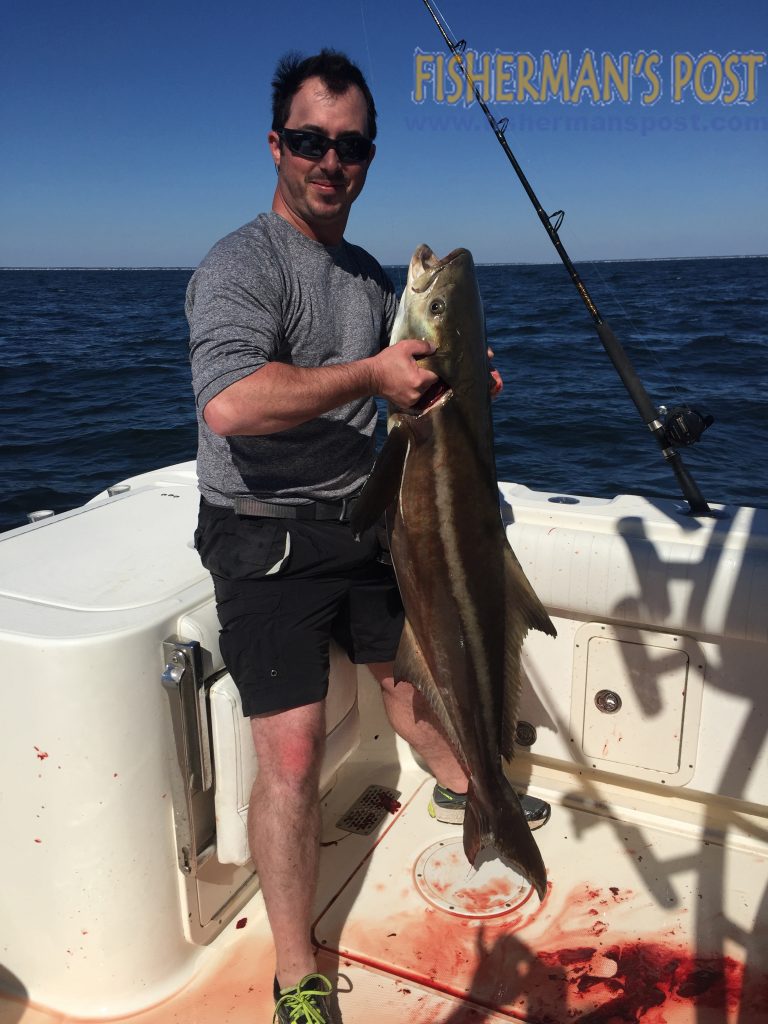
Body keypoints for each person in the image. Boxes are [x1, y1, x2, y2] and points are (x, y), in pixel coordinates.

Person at [187, 49, 548, 1024]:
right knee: (296, 758)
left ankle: (479, 797)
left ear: (368, 157)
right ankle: (297, 969)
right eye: (311, 141)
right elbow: (230, 404)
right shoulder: (241, 264)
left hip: (369, 524)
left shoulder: (366, 273)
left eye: (350, 145)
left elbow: (395, 390)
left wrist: (452, 382)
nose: (330, 160)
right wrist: (375, 377)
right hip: (264, 543)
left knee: (411, 677)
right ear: (278, 146)